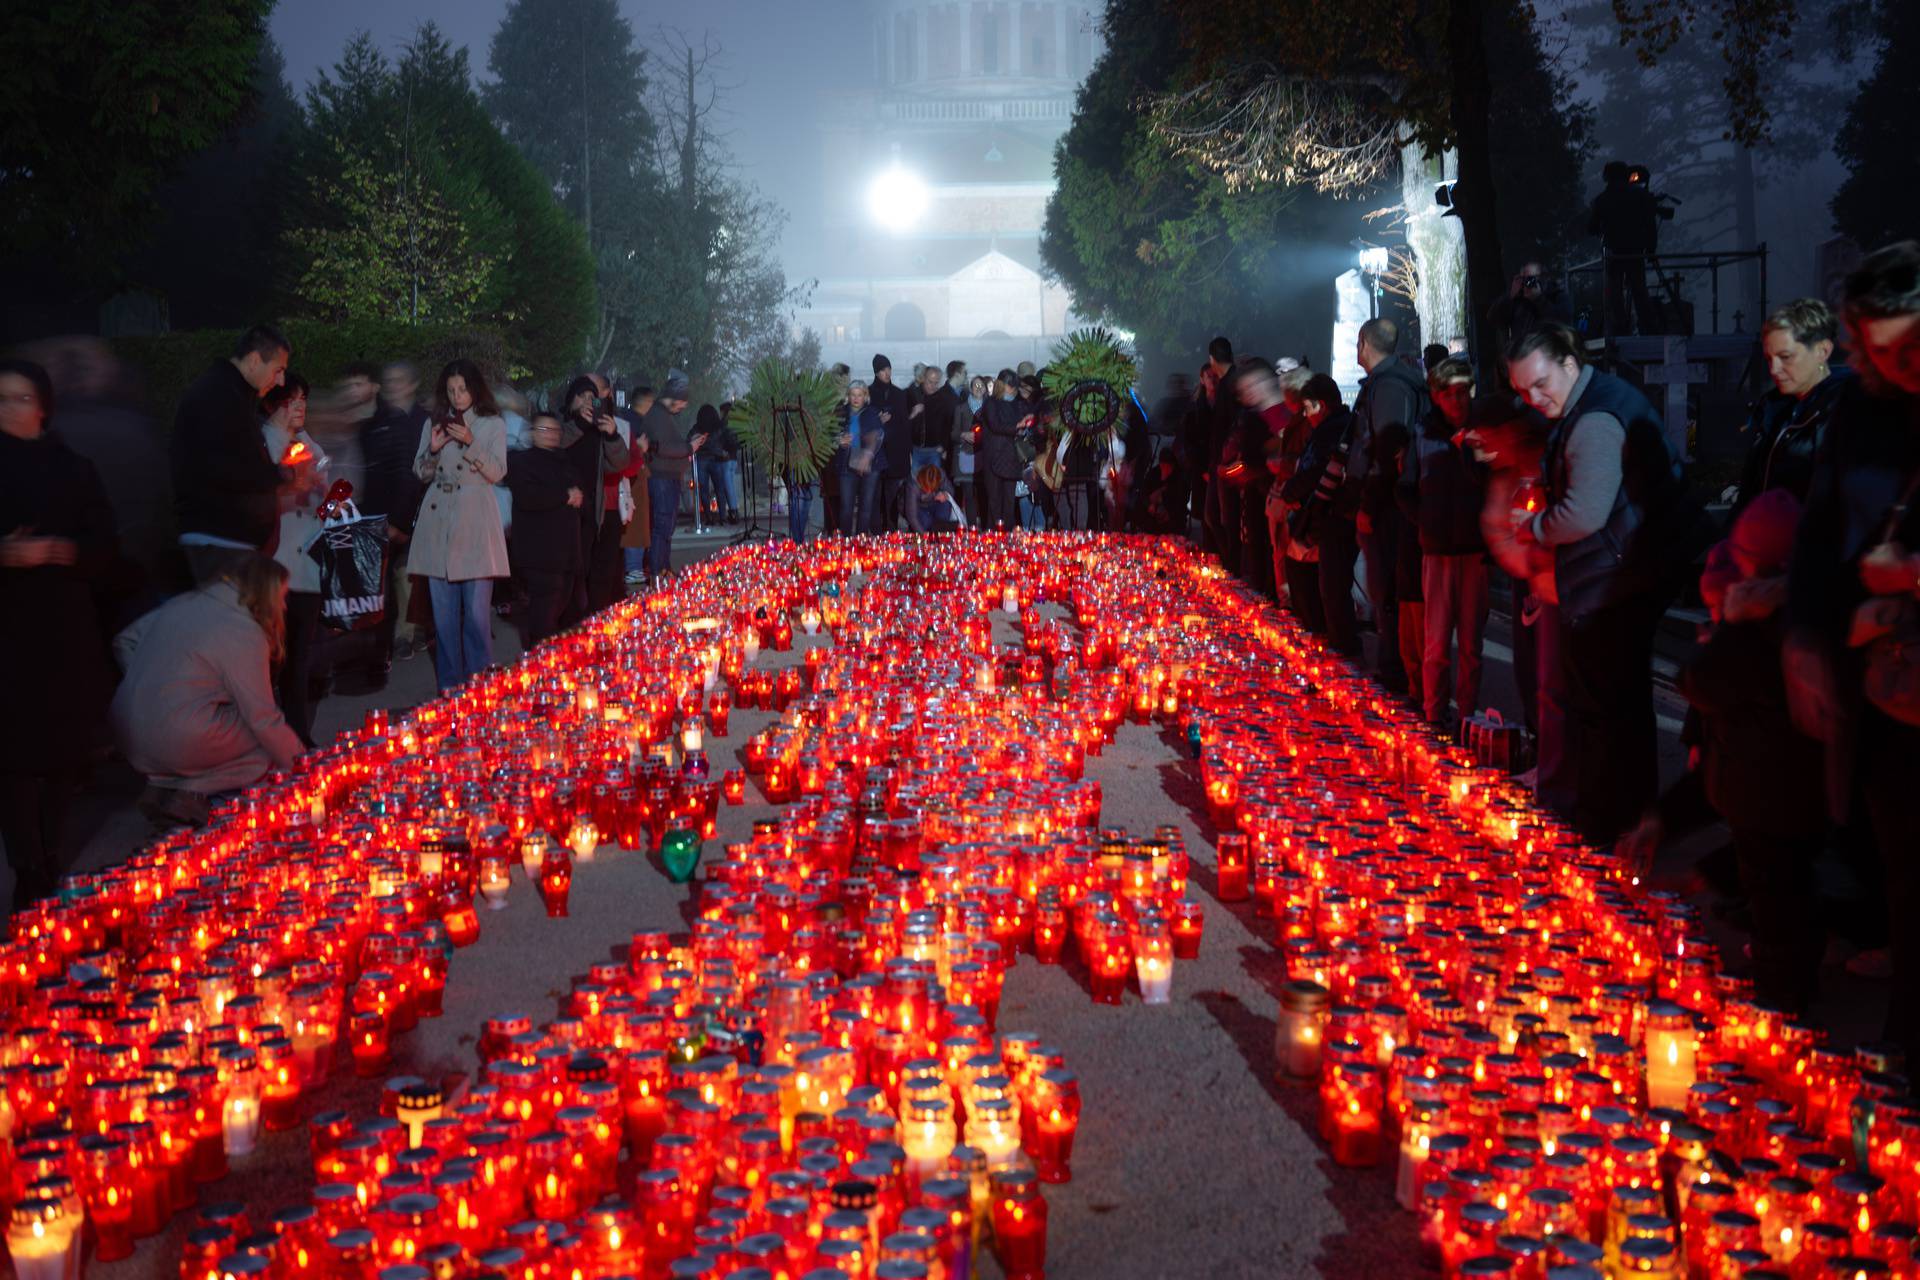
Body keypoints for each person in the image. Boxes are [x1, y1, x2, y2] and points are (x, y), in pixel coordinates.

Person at [1784, 240, 1920, 1062]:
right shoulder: (1863, 412)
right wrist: (1806, 630)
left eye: (1903, 348)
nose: (1888, 364)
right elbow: (1818, 528)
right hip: (1885, 682)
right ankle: (1904, 1047)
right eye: (1872, 348)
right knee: (1903, 862)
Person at [1508, 322, 1691, 844]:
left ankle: (1605, 825)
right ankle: (1626, 820)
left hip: (1618, 577)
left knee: (1604, 706)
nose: (1534, 398)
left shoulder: (1595, 419)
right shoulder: (1591, 403)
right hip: (1626, 569)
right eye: (1522, 391)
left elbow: (1586, 513)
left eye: (1541, 383)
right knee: (1620, 703)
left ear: (1569, 363)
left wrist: (1536, 528)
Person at [1680, 490, 1825, 1012]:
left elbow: (1700, 684)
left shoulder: (1754, 625)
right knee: (1786, 889)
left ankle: (1781, 1000)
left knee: (1776, 897)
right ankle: (1784, 978)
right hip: (1799, 787)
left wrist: (1726, 630)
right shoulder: (1811, 607)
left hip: (1767, 790)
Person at [0, 358, 117, 909]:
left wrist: (62, 550)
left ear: (43, 405)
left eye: (19, 398)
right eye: (1, 399)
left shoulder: (73, 468)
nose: (9, 410)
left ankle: (51, 854)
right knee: (17, 759)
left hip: (63, 631)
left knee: (59, 755)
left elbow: (104, 547)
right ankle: (28, 865)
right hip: (9, 635)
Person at [111, 554, 304, 827]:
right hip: (176, 736)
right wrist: (302, 768)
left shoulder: (183, 603)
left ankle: (163, 790)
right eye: (282, 596)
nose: (284, 607)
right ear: (265, 593)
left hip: (128, 731)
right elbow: (263, 719)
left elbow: (125, 640)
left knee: (222, 727)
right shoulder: (243, 631)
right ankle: (190, 793)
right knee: (264, 747)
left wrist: (151, 682)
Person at [1465, 396, 1569, 815]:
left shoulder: (1546, 458)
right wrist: (1521, 557)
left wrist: (1536, 549)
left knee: (1558, 684)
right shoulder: (1507, 469)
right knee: (1535, 678)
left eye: (1488, 440)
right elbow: (1496, 522)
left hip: (1563, 587)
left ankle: (1562, 776)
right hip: (1533, 581)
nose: (1484, 450)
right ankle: (1547, 762)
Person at [1398, 356, 1491, 729]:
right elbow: (1405, 487)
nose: (1458, 401)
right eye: (1450, 394)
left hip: (1474, 550)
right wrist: (1426, 522)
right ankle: (1434, 714)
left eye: (1463, 392)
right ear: (1436, 396)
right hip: (1437, 551)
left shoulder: (1482, 431)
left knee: (1471, 644)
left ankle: (1468, 717)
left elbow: (1492, 481)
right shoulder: (1423, 433)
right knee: (1436, 644)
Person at [411, 360, 509, 691]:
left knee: (478, 617)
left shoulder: (492, 424)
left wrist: (470, 441)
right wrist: (434, 450)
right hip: (438, 520)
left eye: (463, 389)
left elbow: (497, 472)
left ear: (475, 389)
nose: (457, 396)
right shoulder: (434, 423)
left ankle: (480, 688)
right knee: (444, 619)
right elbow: (420, 471)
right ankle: (451, 689)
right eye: (451, 390)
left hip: (475, 520)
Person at [173, 323, 290, 582]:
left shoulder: (231, 396)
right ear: (254, 360)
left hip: (226, 543)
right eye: (278, 370)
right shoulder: (219, 398)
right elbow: (229, 467)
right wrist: (281, 475)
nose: (280, 380)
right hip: (220, 545)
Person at [1350, 317, 1427, 696]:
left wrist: (1368, 503)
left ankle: (1394, 673)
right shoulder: (1387, 383)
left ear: (1363, 342)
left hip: (1389, 506)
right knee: (1385, 589)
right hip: (1389, 501)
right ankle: (1392, 666)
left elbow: (1384, 448)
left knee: (1387, 590)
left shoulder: (1391, 387)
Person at [1734, 299, 1855, 509]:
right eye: (1769, 359)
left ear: (1822, 351)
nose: (1774, 369)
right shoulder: (1775, 411)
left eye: (1785, 357)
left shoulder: (1844, 412)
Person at [260, 374, 327, 746]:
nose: (300, 406)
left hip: (308, 563)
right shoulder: (260, 446)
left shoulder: (310, 445)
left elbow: (327, 507)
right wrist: (291, 485)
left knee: (300, 656)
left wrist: (331, 497)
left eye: (304, 398)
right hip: (273, 565)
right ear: (272, 404)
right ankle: (266, 738)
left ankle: (298, 734)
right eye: (292, 399)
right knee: (269, 659)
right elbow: (255, 501)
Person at [1280, 374, 1363, 656]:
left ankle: (1340, 657)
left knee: (1331, 594)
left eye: (1308, 408)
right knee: (1326, 592)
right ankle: (1330, 651)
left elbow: (1317, 471)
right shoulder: (1329, 427)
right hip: (1322, 517)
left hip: (1331, 518)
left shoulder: (1334, 431)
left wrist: (1291, 490)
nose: (1306, 415)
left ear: (1323, 405)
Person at [360, 361, 430, 684]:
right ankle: (391, 637)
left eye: (400, 379)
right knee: (386, 578)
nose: (393, 384)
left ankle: (405, 633)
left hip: (413, 509)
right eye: (389, 379)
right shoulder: (377, 420)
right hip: (378, 512)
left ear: (412, 384)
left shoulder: (421, 420)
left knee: (406, 574)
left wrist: (404, 519)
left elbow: (417, 472)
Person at [504, 412, 586, 645]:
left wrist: (578, 497)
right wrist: (564, 496)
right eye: (543, 430)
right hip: (539, 550)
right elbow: (527, 496)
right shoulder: (522, 462)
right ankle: (539, 657)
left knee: (564, 604)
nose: (550, 435)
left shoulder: (564, 460)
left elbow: (580, 492)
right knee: (544, 609)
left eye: (554, 430)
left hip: (567, 549)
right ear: (532, 434)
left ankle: (552, 653)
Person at [1265, 367, 1320, 628]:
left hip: (1292, 496)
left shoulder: (1305, 423)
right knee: (1282, 554)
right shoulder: (1297, 420)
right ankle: (1288, 603)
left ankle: (1292, 607)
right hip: (1284, 492)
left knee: (1289, 555)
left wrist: (1282, 465)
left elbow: (1302, 461)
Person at [640, 372, 704, 576]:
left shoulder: (663, 415)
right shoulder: (657, 415)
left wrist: (688, 445)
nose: (682, 408)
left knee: (666, 527)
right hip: (662, 478)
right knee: (662, 527)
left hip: (668, 478)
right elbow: (660, 447)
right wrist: (689, 448)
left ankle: (663, 568)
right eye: (681, 404)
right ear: (674, 398)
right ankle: (658, 571)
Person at [1590, 161, 1659, 338]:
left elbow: (1591, 227)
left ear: (1607, 177)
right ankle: (1648, 328)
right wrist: (1650, 248)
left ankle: (1620, 330)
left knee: (1615, 295)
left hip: (1614, 254)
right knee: (1639, 291)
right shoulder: (1640, 196)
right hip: (1635, 252)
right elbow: (1650, 224)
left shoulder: (1602, 200)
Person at [978, 370, 1028, 531]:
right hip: (995, 457)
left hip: (1010, 457)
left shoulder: (1016, 403)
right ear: (1002, 385)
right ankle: (994, 533)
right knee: (994, 499)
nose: (1013, 390)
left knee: (1008, 500)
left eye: (1014, 387)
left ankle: (1006, 533)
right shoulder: (991, 403)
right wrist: (1017, 427)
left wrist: (1024, 426)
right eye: (1010, 386)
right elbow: (995, 425)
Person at [869, 355, 912, 530]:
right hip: (875, 454)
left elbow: (905, 424)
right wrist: (878, 420)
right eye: (882, 370)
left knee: (893, 495)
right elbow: (863, 423)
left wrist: (908, 452)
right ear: (876, 372)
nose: (886, 373)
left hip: (896, 453)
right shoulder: (868, 394)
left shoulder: (899, 394)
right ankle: (878, 532)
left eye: (888, 369)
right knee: (875, 496)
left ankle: (891, 530)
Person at [622, 384, 657, 587]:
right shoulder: (637, 424)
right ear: (647, 403)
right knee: (636, 524)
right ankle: (634, 567)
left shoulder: (626, 420)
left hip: (633, 477)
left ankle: (635, 566)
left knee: (637, 522)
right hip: (635, 477)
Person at [838, 381, 883, 535]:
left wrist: (868, 454)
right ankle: (845, 543)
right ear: (848, 396)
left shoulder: (872, 413)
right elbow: (829, 436)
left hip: (870, 466)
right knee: (846, 508)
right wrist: (839, 440)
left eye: (860, 395)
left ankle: (860, 542)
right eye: (853, 395)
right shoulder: (839, 413)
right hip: (846, 464)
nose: (856, 398)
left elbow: (880, 436)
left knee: (866, 508)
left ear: (865, 396)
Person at [907, 463, 966, 533]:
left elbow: (951, 491)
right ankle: (928, 530)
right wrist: (924, 536)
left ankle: (940, 531)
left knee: (946, 503)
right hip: (919, 507)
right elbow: (912, 516)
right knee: (926, 522)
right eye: (926, 488)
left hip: (933, 503)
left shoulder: (940, 476)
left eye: (932, 488)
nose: (929, 492)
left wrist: (945, 494)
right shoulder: (913, 485)